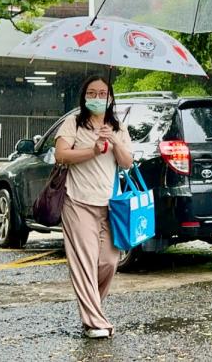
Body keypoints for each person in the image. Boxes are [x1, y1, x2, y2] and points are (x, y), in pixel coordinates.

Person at [54, 76, 134, 339]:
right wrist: (93, 149)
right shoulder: (73, 123)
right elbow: (61, 155)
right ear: (84, 96)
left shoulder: (118, 127)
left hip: (111, 206)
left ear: (110, 98)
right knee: (85, 263)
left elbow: (127, 163)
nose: (97, 97)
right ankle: (95, 323)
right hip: (78, 202)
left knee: (109, 262)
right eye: (92, 92)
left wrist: (114, 142)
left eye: (102, 93)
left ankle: (92, 310)